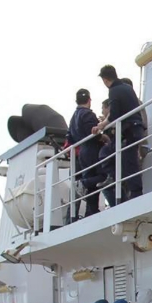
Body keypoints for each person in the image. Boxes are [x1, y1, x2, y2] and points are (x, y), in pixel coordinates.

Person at [93, 65, 145, 201]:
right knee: (129, 161)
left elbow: (115, 114)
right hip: (136, 128)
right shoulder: (127, 88)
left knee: (124, 161)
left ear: (104, 79)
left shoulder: (114, 90)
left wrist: (102, 125)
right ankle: (129, 190)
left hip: (129, 130)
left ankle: (134, 193)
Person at [66, 88, 101, 222]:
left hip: (82, 153)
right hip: (92, 150)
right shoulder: (87, 114)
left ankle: (91, 211)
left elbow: (69, 138)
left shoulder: (73, 117)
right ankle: (91, 209)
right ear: (89, 100)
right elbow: (94, 135)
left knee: (91, 178)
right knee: (102, 177)